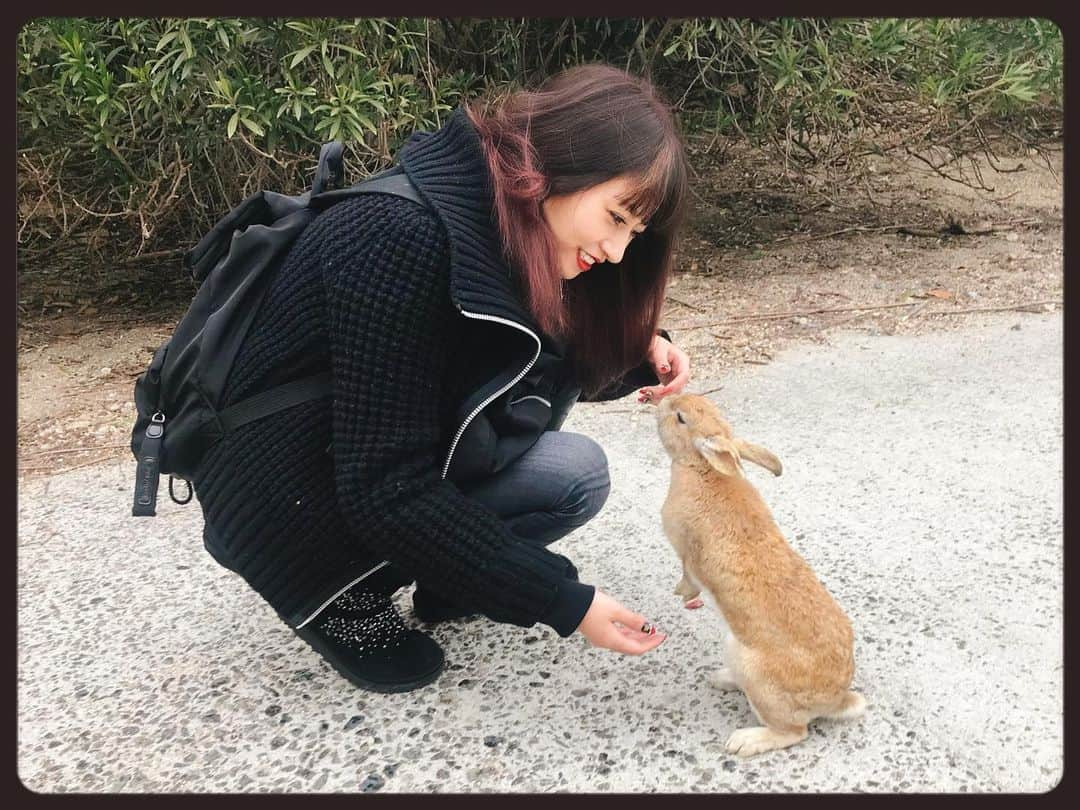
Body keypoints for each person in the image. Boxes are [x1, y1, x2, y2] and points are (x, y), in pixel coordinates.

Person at [193, 63, 691, 693]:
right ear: (561, 165)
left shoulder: (497, 220)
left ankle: (447, 574)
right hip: (279, 495)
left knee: (575, 473)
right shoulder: (397, 236)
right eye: (617, 217)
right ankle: (337, 599)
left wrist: (641, 350)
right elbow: (384, 488)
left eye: (634, 233)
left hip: (345, 463)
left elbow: (534, 366)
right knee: (535, 486)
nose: (619, 251)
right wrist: (564, 601)